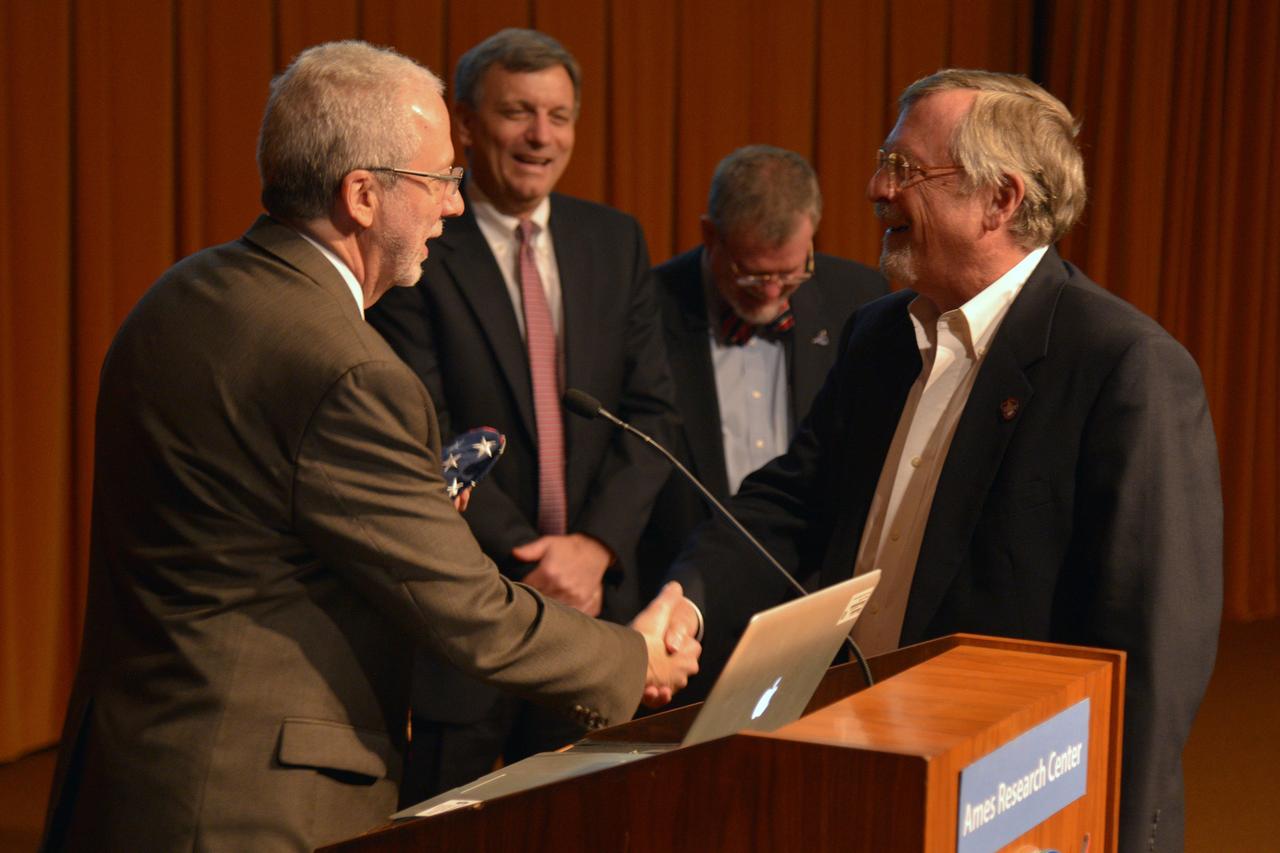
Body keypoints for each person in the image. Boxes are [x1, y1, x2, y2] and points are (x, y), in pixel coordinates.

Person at [40, 40, 698, 853]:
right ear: (361, 195)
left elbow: (254, 519)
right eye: (439, 182)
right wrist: (635, 660)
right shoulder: (349, 369)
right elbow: (466, 610)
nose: (453, 208)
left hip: (130, 775)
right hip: (249, 804)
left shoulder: (179, 295)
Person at [668, 69, 1221, 852]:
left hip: (1010, 798)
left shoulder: (1123, 366)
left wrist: (1111, 833)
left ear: (1000, 198)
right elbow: (793, 503)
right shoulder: (877, 334)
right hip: (851, 760)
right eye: (883, 163)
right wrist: (687, 596)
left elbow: (1151, 650)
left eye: (904, 170)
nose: (874, 188)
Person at [366, 29, 679, 803]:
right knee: (450, 822)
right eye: (519, 113)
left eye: (560, 115)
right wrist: (536, 557)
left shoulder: (616, 239)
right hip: (469, 607)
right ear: (466, 125)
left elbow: (651, 414)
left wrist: (596, 547)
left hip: (598, 612)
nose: (543, 136)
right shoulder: (420, 237)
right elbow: (425, 425)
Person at [636, 145, 886, 700]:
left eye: (792, 276)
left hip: (812, 616)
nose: (773, 294)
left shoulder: (864, 300)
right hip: (679, 614)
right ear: (710, 235)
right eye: (752, 277)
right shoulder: (646, 306)